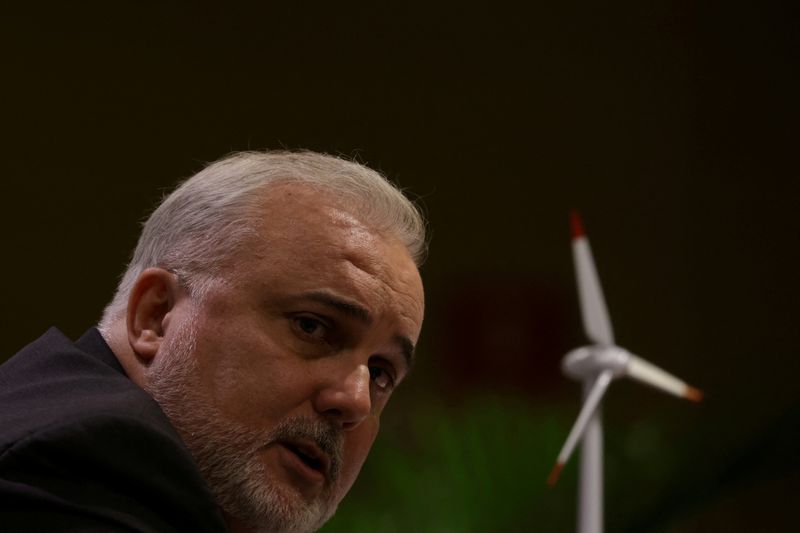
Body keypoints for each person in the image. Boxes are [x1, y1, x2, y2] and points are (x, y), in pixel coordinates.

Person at [0, 151, 427, 532]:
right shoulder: (91, 464)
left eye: (381, 373)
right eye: (312, 327)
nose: (355, 401)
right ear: (156, 315)